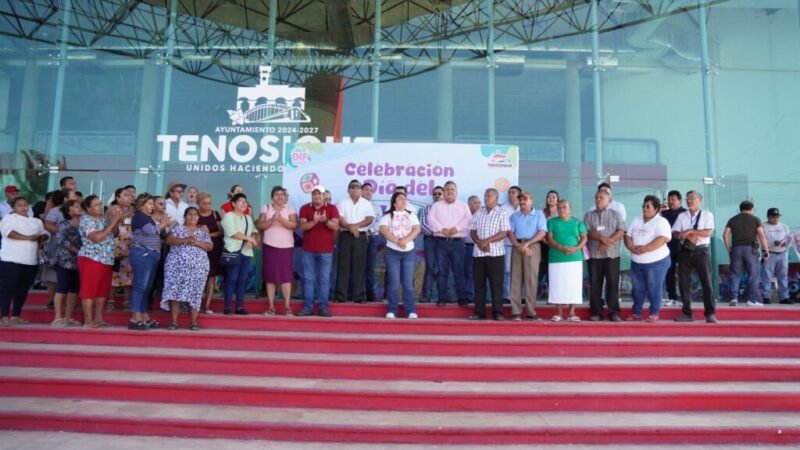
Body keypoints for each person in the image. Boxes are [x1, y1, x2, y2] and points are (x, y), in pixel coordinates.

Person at [162, 207, 213, 330]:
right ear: (185, 216)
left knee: (195, 293)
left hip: (198, 269)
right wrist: (185, 240)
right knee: (175, 292)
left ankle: (194, 322)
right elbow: (168, 240)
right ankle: (174, 321)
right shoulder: (178, 228)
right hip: (176, 268)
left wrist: (196, 242)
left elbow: (210, 246)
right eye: (189, 214)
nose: (192, 217)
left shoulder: (202, 231)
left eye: (195, 215)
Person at [624, 196, 673, 322]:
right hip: (637, 261)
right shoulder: (636, 219)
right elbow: (628, 235)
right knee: (637, 289)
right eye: (643, 206)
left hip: (656, 262)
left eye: (648, 206)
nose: (644, 208)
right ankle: (637, 313)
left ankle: (654, 313)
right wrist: (630, 246)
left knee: (654, 287)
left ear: (656, 209)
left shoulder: (661, 222)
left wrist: (644, 249)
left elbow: (662, 239)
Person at [0, 197, 47, 326]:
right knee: (7, 288)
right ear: (14, 208)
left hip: (30, 260)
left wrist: (40, 237)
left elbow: (44, 234)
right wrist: (28, 238)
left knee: (22, 289)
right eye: (20, 205)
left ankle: (16, 315)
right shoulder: (9, 218)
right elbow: (8, 233)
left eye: (26, 205)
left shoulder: (36, 221)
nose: (23, 208)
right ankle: (3, 316)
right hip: (11, 259)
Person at [78, 195, 123, 328]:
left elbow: (114, 233)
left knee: (103, 291)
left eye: (100, 204)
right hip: (91, 258)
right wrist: (112, 223)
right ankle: (88, 320)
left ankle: (98, 319)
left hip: (106, 259)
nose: (100, 207)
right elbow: (96, 237)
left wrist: (113, 220)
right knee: (89, 290)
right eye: (96, 205)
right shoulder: (86, 220)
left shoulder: (104, 219)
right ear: (88, 208)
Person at [673, 190, 717, 323]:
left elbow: (708, 232)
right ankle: (687, 313)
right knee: (684, 283)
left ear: (700, 200)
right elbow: (674, 232)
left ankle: (710, 313)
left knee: (706, 282)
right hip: (685, 251)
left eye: (692, 198)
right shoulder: (682, 216)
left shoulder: (707, 215)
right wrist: (680, 235)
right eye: (687, 199)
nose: (689, 201)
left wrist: (691, 231)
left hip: (701, 251)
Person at [466, 188, 510, 321]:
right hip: (479, 254)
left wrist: (486, 241)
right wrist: (479, 243)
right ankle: (479, 312)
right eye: (485, 196)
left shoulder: (502, 212)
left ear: (496, 198)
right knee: (479, 284)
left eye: (489, 196)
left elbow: (504, 232)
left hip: (496, 254)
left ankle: (497, 312)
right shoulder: (479, 212)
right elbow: (472, 231)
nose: (486, 198)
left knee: (496, 284)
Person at [584, 189, 626, 322]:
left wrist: (609, 241)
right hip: (595, 256)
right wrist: (602, 238)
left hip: (612, 255)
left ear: (608, 200)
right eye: (596, 198)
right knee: (595, 284)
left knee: (612, 284)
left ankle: (614, 312)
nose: (598, 200)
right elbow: (587, 232)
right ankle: (596, 312)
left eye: (601, 198)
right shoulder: (589, 215)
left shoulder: (616, 214)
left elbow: (621, 230)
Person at [428, 181, 472, 307]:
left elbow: (468, 220)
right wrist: (441, 229)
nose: (450, 191)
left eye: (452, 189)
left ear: (456, 191)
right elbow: (431, 220)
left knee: (459, 272)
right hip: (441, 242)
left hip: (457, 243)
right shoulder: (436, 206)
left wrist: (456, 228)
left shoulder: (463, 206)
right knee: (442, 272)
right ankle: (442, 298)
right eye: (447, 189)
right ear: (444, 192)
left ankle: (461, 298)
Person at [298, 185, 339, 317]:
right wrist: (314, 221)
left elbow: (335, 226)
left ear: (323, 196)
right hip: (308, 250)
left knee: (324, 279)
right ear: (312, 196)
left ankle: (323, 308)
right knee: (309, 279)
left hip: (326, 250)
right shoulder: (304, 208)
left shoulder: (332, 208)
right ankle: (308, 307)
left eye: (319, 194)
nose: (317, 196)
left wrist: (325, 220)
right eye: (314, 194)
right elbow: (303, 227)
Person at [379, 191, 421, 319]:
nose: (404, 201)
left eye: (405, 199)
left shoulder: (411, 215)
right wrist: (397, 241)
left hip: (408, 252)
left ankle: (410, 310)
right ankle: (392, 310)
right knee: (394, 282)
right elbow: (383, 229)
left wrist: (405, 240)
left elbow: (417, 229)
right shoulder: (388, 216)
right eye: (401, 199)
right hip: (392, 252)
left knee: (408, 282)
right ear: (394, 202)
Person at [257, 186, 298, 316]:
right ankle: (271, 306)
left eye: (282, 194)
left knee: (286, 277)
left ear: (285, 197)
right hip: (269, 245)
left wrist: (280, 219)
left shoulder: (289, 208)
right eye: (277, 194)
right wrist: (272, 219)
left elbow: (293, 225)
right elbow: (260, 225)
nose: (280, 197)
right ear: (272, 197)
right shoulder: (266, 208)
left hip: (286, 246)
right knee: (270, 277)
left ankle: (287, 307)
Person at [508, 191, 548, 321]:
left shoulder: (538, 215)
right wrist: (517, 244)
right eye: (520, 199)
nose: (522, 202)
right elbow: (510, 232)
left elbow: (542, 232)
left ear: (531, 201)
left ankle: (531, 312)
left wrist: (527, 244)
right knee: (516, 279)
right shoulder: (514, 216)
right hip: (517, 247)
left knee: (531, 279)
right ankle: (516, 312)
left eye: (525, 199)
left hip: (533, 246)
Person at [546, 199, 587, 322]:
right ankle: (558, 313)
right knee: (557, 284)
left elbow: (584, 238)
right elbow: (549, 238)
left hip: (574, 258)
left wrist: (576, 248)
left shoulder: (578, 222)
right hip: (556, 257)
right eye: (559, 207)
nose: (561, 209)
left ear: (570, 209)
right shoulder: (552, 222)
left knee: (573, 285)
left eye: (564, 207)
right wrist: (560, 247)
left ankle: (571, 313)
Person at [722, 200, 770, 307]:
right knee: (753, 274)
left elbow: (725, 235)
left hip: (736, 249)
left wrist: (729, 248)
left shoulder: (732, 220)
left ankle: (734, 298)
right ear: (752, 209)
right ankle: (751, 300)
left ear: (740, 209)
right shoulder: (755, 219)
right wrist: (766, 251)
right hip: (750, 249)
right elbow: (761, 236)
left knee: (735, 274)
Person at [127, 194, 164, 330]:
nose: (152, 207)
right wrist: (164, 223)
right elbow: (152, 231)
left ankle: (143, 314)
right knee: (140, 286)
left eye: (152, 204)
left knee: (146, 288)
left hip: (151, 255)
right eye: (149, 204)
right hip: (142, 254)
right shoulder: (139, 217)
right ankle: (135, 316)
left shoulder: (148, 218)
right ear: (141, 205)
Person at [334, 180, 374, 303]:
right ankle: (341, 296)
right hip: (345, 235)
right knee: (343, 266)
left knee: (359, 266)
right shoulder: (342, 202)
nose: (355, 189)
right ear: (348, 190)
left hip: (360, 236)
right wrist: (350, 228)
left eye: (357, 187)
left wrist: (355, 226)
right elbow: (339, 219)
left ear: (360, 190)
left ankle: (359, 296)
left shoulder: (366, 203)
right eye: (352, 187)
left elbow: (369, 219)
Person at [221, 193, 258, 315]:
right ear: (233, 203)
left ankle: (240, 306)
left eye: (245, 201)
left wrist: (251, 240)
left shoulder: (248, 218)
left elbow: (254, 232)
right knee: (231, 279)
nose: (243, 203)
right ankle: (227, 307)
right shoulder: (228, 216)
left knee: (243, 279)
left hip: (246, 252)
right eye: (240, 201)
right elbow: (232, 232)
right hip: (233, 251)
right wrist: (249, 238)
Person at [50, 200, 83, 326]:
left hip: (78, 261)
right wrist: (77, 250)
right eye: (76, 206)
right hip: (64, 260)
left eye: (80, 206)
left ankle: (68, 317)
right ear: (68, 210)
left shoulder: (84, 224)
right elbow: (62, 241)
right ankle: (58, 317)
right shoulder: (64, 224)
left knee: (74, 289)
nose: (79, 208)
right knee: (62, 287)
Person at [108, 187, 135, 311]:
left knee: (128, 273)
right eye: (125, 195)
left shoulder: (133, 210)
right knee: (114, 273)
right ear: (118, 198)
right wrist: (125, 214)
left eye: (130, 195)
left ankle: (126, 301)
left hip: (130, 245)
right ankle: (111, 301)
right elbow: (111, 222)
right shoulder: (113, 208)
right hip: (116, 244)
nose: (129, 197)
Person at [196, 192, 223, 313]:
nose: (207, 206)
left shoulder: (215, 214)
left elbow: (220, 231)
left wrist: (209, 235)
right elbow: (188, 229)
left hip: (214, 248)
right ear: (198, 203)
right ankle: (194, 304)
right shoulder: (194, 214)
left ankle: (207, 305)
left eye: (209, 203)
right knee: (197, 277)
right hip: (198, 249)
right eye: (204, 203)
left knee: (211, 277)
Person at [761, 208, 792, 304]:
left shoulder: (784, 227)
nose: (775, 218)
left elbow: (789, 239)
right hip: (769, 253)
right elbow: (760, 240)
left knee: (783, 276)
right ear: (768, 216)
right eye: (773, 216)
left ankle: (784, 297)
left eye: (777, 216)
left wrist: (784, 244)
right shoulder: (763, 226)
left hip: (782, 253)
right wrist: (772, 243)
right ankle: (766, 297)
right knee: (767, 276)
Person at [660, 190, 686, 306]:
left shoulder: (685, 213)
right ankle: (672, 297)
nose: (670, 202)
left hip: (682, 246)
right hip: (668, 247)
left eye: (673, 200)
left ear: (680, 200)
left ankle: (685, 297)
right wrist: (659, 210)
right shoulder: (664, 213)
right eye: (669, 200)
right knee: (669, 272)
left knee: (683, 273)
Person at [419, 186, 444, 303]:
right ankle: (426, 295)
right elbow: (423, 224)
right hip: (430, 239)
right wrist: (437, 231)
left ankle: (442, 295)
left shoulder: (448, 209)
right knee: (430, 268)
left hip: (444, 241)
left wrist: (442, 233)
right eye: (435, 194)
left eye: (439, 194)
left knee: (442, 268)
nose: (437, 196)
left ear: (443, 195)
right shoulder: (427, 208)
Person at [362, 182, 384, 302]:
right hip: (358, 237)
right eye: (366, 190)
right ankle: (357, 293)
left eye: (371, 190)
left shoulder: (376, 207)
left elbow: (378, 222)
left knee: (370, 267)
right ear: (361, 191)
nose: (368, 192)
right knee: (358, 267)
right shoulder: (356, 206)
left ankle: (370, 294)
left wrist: (369, 230)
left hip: (372, 238)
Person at [501, 186, 521, 302]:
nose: (510, 194)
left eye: (513, 192)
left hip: (522, 244)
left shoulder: (524, 208)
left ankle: (520, 296)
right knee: (507, 270)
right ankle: (507, 295)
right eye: (509, 193)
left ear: (519, 194)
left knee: (521, 271)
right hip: (507, 243)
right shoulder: (503, 209)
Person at [539, 189, 560, 295]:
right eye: (549, 197)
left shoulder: (560, 213)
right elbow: (539, 229)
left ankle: (555, 295)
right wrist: (545, 240)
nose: (551, 199)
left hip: (557, 245)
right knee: (542, 270)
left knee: (555, 271)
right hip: (544, 245)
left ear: (558, 200)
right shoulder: (542, 213)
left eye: (553, 197)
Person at [464, 195, 481, 303]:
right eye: (475, 202)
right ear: (469, 204)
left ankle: (475, 296)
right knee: (467, 272)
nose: (478, 205)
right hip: (465, 247)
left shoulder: (482, 216)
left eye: (479, 202)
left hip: (478, 246)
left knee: (478, 273)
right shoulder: (464, 216)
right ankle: (468, 296)